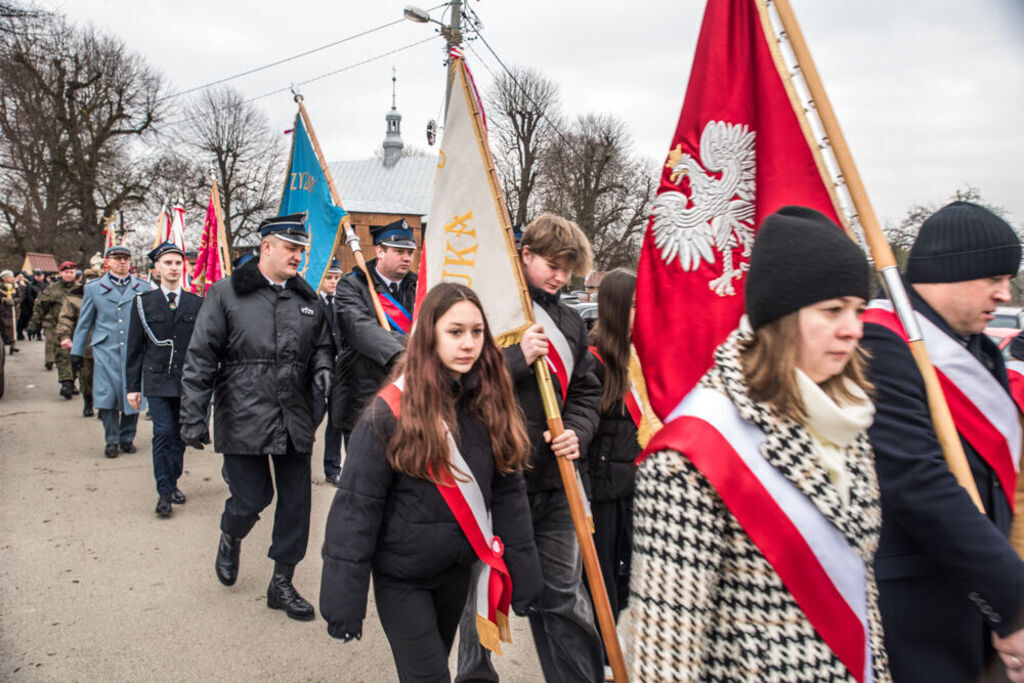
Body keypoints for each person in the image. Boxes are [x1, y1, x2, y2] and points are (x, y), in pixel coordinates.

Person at [628, 206, 890, 681]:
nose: (853, 327)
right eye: (833, 310)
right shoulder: (689, 454)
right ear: (783, 317)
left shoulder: (846, 417)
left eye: (857, 309)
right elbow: (664, 657)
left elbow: (862, 602)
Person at [320, 282, 543, 681]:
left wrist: (525, 572)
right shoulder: (388, 413)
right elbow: (357, 508)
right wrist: (343, 599)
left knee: (434, 663)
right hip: (402, 579)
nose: (468, 343)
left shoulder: (490, 404)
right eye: (455, 332)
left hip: (456, 573)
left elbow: (509, 493)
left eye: (477, 332)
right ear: (430, 335)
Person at [861, 201, 1024, 682]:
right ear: (953, 270)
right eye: (994, 277)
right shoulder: (881, 345)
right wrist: (1012, 600)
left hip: (979, 609)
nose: (1005, 291)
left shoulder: (982, 350)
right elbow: (917, 482)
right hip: (918, 617)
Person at [457, 214, 603, 683]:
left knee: (564, 596)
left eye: (568, 267)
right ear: (525, 255)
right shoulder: (486, 311)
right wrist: (518, 358)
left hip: (555, 481)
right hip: (493, 479)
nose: (560, 276)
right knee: (482, 593)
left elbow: (585, 390)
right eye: (551, 264)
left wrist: (577, 430)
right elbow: (457, 382)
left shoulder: (569, 322)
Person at [179, 213, 333, 622]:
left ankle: (281, 582)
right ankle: (231, 532)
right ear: (267, 246)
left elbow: (321, 344)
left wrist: (322, 366)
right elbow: (200, 357)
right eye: (291, 248)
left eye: (302, 249)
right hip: (243, 412)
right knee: (252, 498)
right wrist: (192, 416)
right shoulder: (226, 293)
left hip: (294, 413)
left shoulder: (307, 299)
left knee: (296, 505)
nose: (298, 256)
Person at [584, 267, 658, 676]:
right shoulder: (593, 361)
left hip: (638, 485)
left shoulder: (641, 354)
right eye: (633, 305)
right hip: (602, 490)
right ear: (613, 308)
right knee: (604, 577)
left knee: (634, 572)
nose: (640, 312)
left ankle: (621, 646)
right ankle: (606, 655)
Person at [125, 242, 203, 518]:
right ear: (157, 268)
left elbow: (202, 347)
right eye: (167, 263)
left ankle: (173, 481)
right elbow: (134, 348)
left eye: (178, 263)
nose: (173, 268)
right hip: (157, 381)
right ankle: (164, 492)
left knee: (180, 437)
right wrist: (132, 388)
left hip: (186, 382)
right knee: (162, 432)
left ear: (185, 267)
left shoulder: (196, 303)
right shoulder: (143, 303)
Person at [331, 218, 418, 446]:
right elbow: (360, 328)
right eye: (399, 251)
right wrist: (408, 347)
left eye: (410, 252)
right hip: (363, 395)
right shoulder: (353, 285)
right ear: (379, 251)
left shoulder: (419, 286)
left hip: (410, 399)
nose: (407, 258)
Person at [70, 246, 148, 457]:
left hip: (134, 350)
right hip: (106, 350)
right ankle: (111, 440)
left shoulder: (143, 287)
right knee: (108, 396)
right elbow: (84, 323)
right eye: (118, 258)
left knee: (133, 395)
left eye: (126, 258)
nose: (122, 262)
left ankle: (127, 437)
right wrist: (76, 352)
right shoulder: (94, 288)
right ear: (108, 262)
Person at [56, 268, 102, 417]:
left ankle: (104, 406)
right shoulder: (73, 298)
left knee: (104, 378)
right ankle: (88, 402)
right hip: (84, 345)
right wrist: (65, 336)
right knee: (86, 377)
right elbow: (65, 318)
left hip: (105, 345)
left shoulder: (106, 296)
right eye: (88, 280)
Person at [315, 258, 344, 486]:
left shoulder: (342, 303)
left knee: (336, 423)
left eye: (337, 278)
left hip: (340, 371)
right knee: (311, 420)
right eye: (330, 277)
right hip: (317, 371)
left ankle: (332, 467)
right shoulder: (314, 302)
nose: (333, 282)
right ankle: (297, 467)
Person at [27, 261, 77, 385]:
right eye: (66, 272)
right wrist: (34, 325)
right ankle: (66, 382)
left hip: (78, 329)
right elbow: (40, 308)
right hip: (58, 328)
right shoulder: (52, 290)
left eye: (72, 272)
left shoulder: (82, 289)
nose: (69, 275)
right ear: (61, 273)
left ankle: (73, 379)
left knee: (77, 358)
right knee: (62, 355)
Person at [19, 270, 44, 341]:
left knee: (39, 320)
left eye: (40, 276)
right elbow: (29, 296)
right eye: (38, 276)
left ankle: (38, 334)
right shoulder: (30, 285)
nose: (39, 277)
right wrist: (34, 303)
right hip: (29, 306)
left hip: (40, 305)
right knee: (28, 321)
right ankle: (28, 333)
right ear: (35, 276)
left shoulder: (43, 284)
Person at [1, 269, 20, 354]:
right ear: (4, 278)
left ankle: (13, 345)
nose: (12, 278)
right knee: (3, 327)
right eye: (10, 277)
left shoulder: (14, 287)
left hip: (12, 311)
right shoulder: (1, 287)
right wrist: (2, 299)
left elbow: (20, 296)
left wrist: (14, 300)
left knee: (13, 327)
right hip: (2, 310)